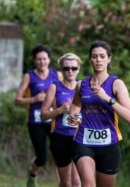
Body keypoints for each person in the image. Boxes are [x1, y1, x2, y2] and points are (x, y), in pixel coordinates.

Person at [68, 40, 130, 187]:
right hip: (83, 142)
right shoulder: (82, 84)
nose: (98, 60)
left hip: (109, 144)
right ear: (90, 59)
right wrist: (73, 117)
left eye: (102, 56)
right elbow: (74, 108)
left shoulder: (116, 84)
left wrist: (107, 98)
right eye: (94, 56)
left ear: (109, 58)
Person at [15, 44, 61, 187]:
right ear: (35, 61)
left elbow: (66, 92)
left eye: (44, 59)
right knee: (41, 158)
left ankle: (64, 183)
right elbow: (17, 100)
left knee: (60, 155)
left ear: (49, 59)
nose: (42, 62)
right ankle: (32, 174)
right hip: (35, 122)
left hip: (53, 120)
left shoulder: (57, 75)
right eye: (39, 59)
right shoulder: (29, 76)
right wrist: (34, 99)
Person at [41, 53, 82, 187]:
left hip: (78, 138)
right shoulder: (55, 86)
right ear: (62, 70)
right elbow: (43, 115)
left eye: (73, 68)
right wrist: (60, 110)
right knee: (66, 182)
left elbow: (89, 113)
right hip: (60, 137)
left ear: (78, 69)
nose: (70, 71)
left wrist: (81, 120)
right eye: (66, 68)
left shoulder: (83, 87)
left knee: (77, 182)